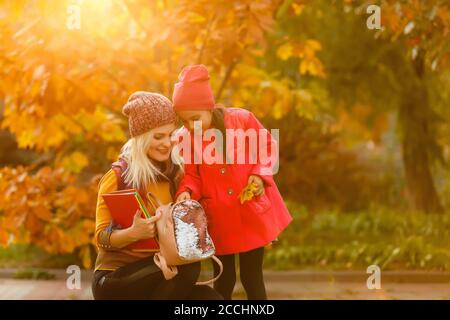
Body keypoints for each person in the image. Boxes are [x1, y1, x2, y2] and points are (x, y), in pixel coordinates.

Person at [173, 65, 293, 300]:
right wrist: (186, 191)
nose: (190, 126)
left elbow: (267, 147)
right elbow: (192, 175)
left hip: (250, 212)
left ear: (209, 107)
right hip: (219, 218)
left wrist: (259, 174)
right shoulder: (187, 138)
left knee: (251, 276)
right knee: (224, 279)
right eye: (185, 121)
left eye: (195, 119)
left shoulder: (241, 120)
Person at [91, 91, 223, 300]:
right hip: (115, 278)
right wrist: (134, 233)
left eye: (171, 135)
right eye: (158, 136)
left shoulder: (176, 176)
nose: (166, 143)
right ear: (141, 138)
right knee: (187, 269)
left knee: (210, 299)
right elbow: (101, 239)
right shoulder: (117, 176)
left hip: (162, 271)